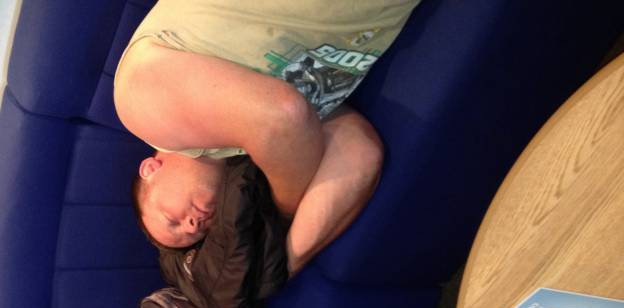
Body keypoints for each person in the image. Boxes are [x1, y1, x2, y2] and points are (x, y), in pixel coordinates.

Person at [114, 0, 420, 274]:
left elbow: (283, 116)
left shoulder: (138, 106)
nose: (193, 225)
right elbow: (359, 153)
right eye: (197, 234)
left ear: (150, 170)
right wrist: (276, 267)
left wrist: (278, 213)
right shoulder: (253, 144)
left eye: (172, 219)